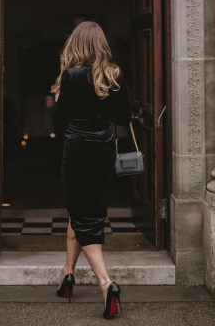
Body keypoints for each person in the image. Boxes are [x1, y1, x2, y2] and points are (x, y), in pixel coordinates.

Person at [51, 21, 131, 319]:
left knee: (84, 216)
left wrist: (60, 100)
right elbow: (124, 116)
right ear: (101, 45)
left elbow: (58, 124)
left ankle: (106, 283)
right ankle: (67, 275)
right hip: (104, 149)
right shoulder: (115, 75)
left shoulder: (71, 76)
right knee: (83, 211)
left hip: (77, 151)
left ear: (76, 44)